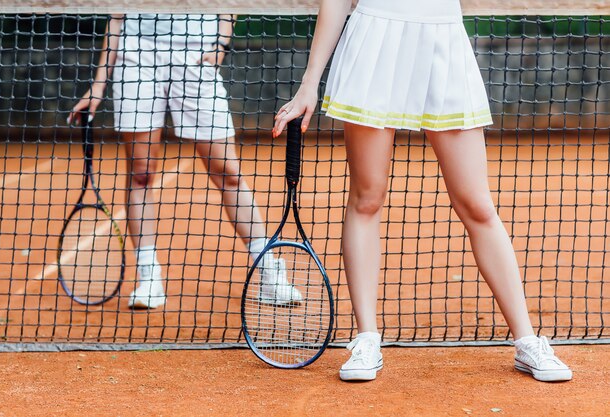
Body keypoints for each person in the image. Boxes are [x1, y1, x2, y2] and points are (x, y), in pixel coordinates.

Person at [273, 0, 572, 382]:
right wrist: (308, 83)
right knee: (367, 198)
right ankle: (367, 339)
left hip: (442, 42)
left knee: (478, 206)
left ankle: (528, 341)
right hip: (375, 43)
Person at [70, 13, 302, 309]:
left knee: (229, 173)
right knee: (141, 174)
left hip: (197, 55)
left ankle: (269, 273)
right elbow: (117, 16)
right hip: (136, 56)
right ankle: (149, 278)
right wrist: (98, 85)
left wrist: (220, 44)